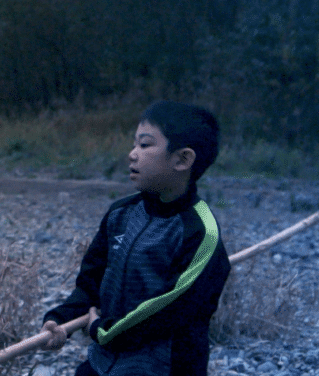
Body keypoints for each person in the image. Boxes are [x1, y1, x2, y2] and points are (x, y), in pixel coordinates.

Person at [40, 101, 230, 376]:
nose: (132, 155)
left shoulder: (201, 233)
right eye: (134, 145)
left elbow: (168, 311)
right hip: (104, 361)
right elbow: (90, 282)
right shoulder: (120, 214)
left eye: (145, 145)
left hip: (163, 369)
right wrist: (61, 318)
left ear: (182, 159)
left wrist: (103, 330)